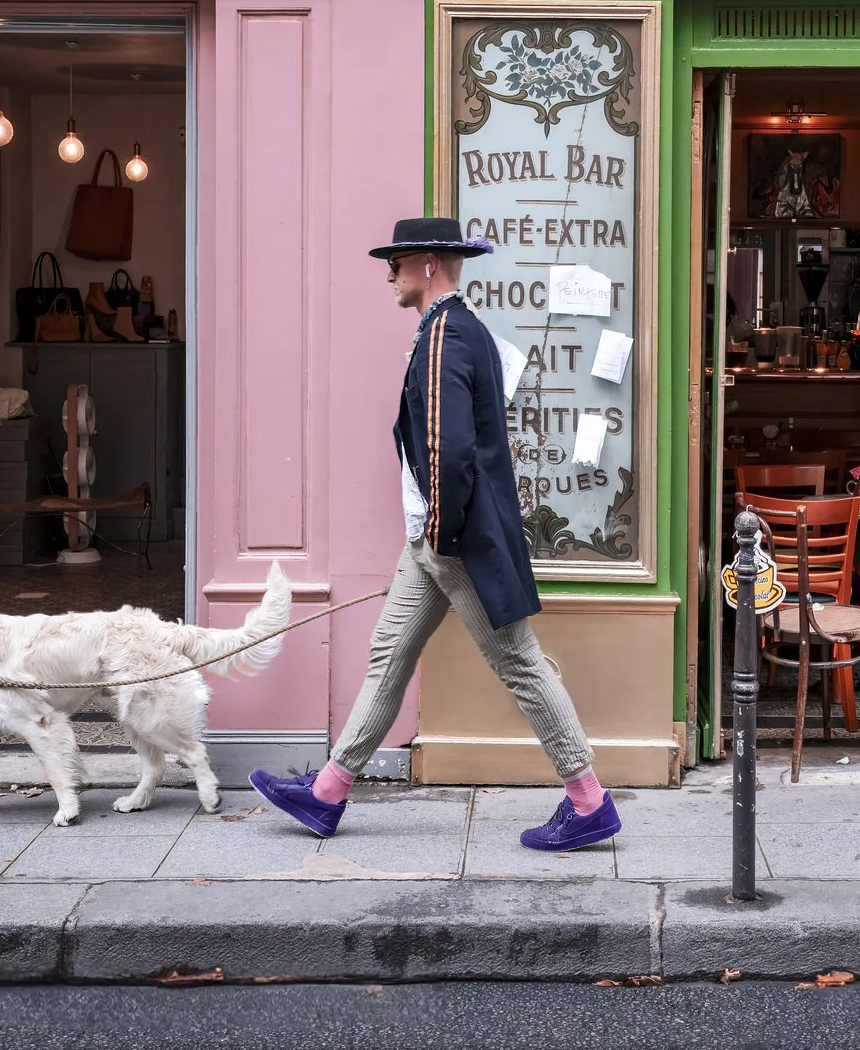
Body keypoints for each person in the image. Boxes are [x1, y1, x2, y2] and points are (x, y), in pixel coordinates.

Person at [248, 217, 619, 851]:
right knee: (388, 659)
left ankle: (589, 801)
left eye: (396, 262)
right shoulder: (446, 330)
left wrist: (442, 536)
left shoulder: (448, 333)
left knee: (520, 662)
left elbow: (452, 448)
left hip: (451, 540)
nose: (388, 273)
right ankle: (328, 794)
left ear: (427, 267)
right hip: (435, 539)